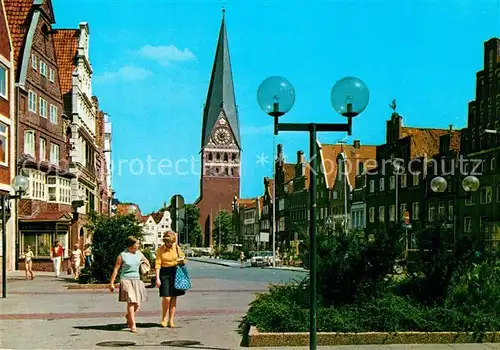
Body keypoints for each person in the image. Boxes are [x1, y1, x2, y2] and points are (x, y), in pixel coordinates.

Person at [109, 236, 150, 333]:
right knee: (131, 301)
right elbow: (116, 269)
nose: (138, 245)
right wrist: (111, 283)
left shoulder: (139, 254)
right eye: (137, 244)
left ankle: (128, 316)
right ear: (131, 245)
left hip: (136, 280)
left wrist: (144, 264)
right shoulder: (122, 255)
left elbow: (147, 262)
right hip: (126, 280)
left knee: (137, 304)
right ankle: (133, 324)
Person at [155, 231, 186, 328]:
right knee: (166, 297)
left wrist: (181, 260)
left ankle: (171, 320)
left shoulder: (176, 248)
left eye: (171, 242)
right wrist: (157, 278)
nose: (169, 244)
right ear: (165, 241)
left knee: (173, 297)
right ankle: (164, 318)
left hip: (176, 272)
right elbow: (157, 264)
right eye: (167, 242)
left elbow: (183, 259)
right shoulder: (160, 250)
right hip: (164, 273)